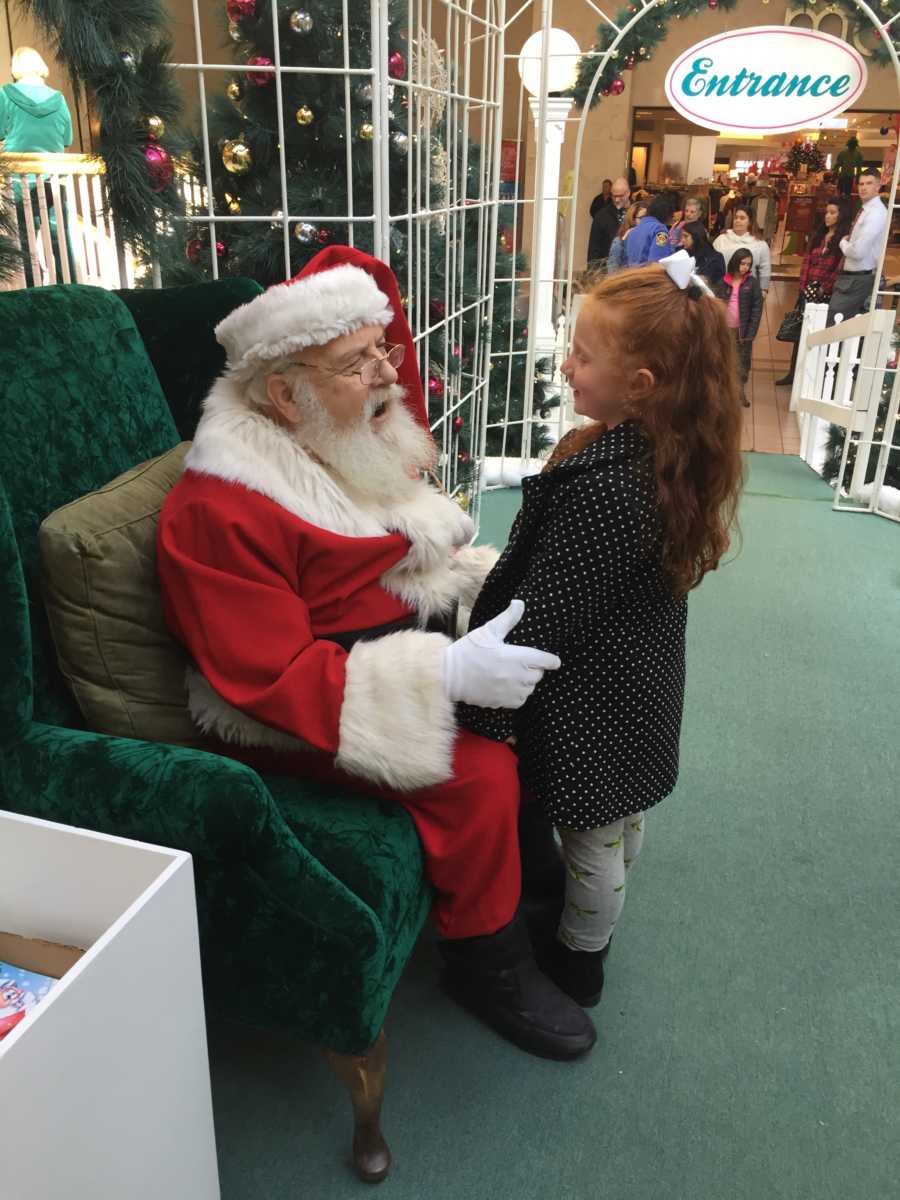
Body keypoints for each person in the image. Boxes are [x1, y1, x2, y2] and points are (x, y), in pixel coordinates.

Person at [156, 245, 596, 1062]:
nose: (388, 374)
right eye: (359, 362)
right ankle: (484, 958)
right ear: (285, 394)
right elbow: (267, 676)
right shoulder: (216, 507)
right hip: (299, 701)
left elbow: (391, 547)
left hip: (388, 638)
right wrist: (445, 675)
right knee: (478, 771)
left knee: (539, 693)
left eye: (381, 350)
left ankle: (536, 891)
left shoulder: (342, 423)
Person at [458, 252, 743, 1006]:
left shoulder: (609, 492)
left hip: (594, 705)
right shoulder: (649, 457)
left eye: (583, 356)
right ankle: (590, 921)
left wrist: (481, 696)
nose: (568, 364)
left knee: (592, 843)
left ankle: (580, 959)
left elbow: (549, 616)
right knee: (619, 819)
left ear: (640, 385)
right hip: (634, 687)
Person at [0, 46, 74, 285]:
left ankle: (34, 289)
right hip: (54, 177)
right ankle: (70, 285)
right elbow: (67, 139)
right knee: (60, 239)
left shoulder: (5, 94)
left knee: (25, 239)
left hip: (20, 179)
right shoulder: (59, 98)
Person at [777, 199, 851, 386]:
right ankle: (793, 373)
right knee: (799, 333)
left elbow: (838, 270)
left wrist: (823, 289)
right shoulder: (819, 235)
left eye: (833, 213)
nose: (828, 216)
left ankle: (810, 378)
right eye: (827, 212)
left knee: (819, 335)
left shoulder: (844, 240)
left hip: (825, 296)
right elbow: (806, 262)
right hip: (806, 293)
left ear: (841, 216)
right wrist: (804, 287)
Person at [827, 171, 888, 326]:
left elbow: (857, 252)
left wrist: (842, 243)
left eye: (869, 183)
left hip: (858, 278)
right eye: (861, 184)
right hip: (854, 277)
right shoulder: (866, 209)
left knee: (833, 323)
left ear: (878, 186)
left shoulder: (875, 213)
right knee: (840, 325)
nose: (863, 188)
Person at [715, 248, 762, 407]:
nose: (745, 268)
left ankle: (740, 392)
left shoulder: (752, 283)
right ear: (735, 262)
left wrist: (750, 333)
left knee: (742, 363)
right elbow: (715, 305)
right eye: (742, 263)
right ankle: (723, 393)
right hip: (724, 329)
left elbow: (757, 309)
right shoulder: (723, 281)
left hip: (742, 331)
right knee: (723, 360)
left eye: (748, 264)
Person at [714, 205, 771, 297]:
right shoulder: (721, 239)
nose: (737, 220)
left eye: (742, 218)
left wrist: (763, 290)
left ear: (750, 222)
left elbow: (765, 269)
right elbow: (713, 263)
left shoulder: (760, 244)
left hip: (748, 291)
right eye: (736, 217)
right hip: (724, 289)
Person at [587, 176, 630, 268]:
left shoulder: (637, 213)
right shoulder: (601, 216)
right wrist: (593, 273)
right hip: (607, 269)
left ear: (628, 193)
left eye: (620, 196)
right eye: (614, 196)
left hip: (631, 269)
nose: (617, 200)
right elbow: (594, 248)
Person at [623, 193, 675, 267]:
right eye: (672, 216)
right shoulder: (660, 231)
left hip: (631, 275)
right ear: (667, 215)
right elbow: (657, 261)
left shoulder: (633, 231)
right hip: (648, 276)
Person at [606, 201, 647, 274]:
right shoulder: (620, 241)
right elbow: (612, 269)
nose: (647, 221)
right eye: (642, 218)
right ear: (632, 219)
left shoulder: (651, 238)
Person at [680, 220, 725, 286]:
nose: (682, 240)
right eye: (682, 236)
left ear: (696, 237)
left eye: (686, 236)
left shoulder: (715, 258)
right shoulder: (682, 253)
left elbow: (709, 282)